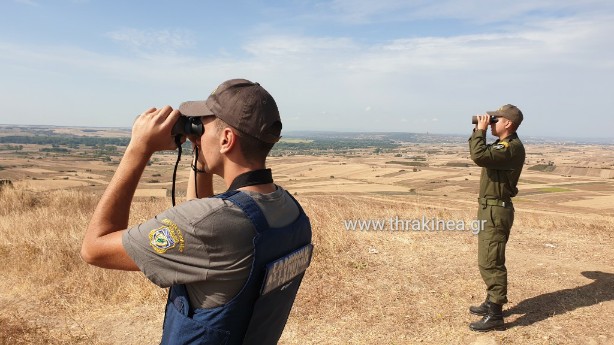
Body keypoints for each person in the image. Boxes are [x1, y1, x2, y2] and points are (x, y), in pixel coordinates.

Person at [81, 79, 313, 345]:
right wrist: (200, 157)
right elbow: (204, 217)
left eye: (204, 126)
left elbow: (94, 248)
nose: (197, 133)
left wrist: (139, 149)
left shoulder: (216, 225)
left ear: (226, 139)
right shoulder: (291, 212)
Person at [468, 104, 525, 332]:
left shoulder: (511, 147)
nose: (491, 122)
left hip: (496, 211)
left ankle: (496, 315)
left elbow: (479, 155)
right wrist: (480, 131)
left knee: (491, 261)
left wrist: (480, 130)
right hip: (489, 209)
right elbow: (485, 155)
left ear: (508, 123)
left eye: (495, 119)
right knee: (487, 257)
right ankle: (491, 301)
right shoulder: (503, 145)